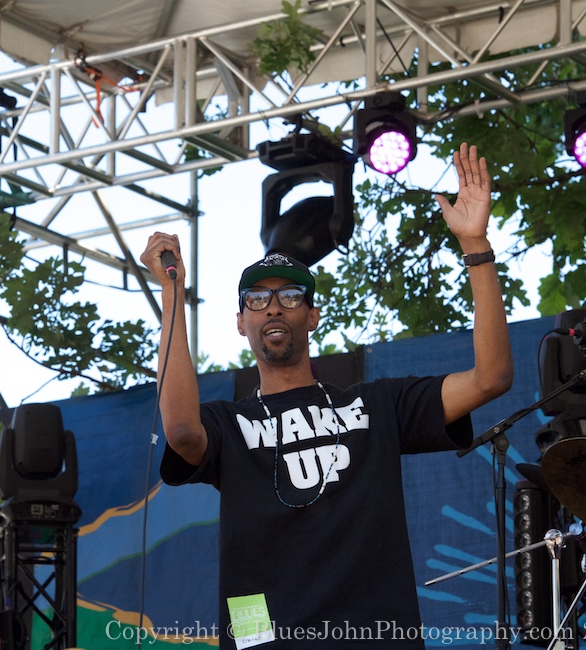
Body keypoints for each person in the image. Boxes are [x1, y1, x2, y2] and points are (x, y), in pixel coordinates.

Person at [139, 143, 513, 649]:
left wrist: (476, 246)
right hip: (264, 639)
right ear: (240, 322)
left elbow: (491, 377)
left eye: (290, 296)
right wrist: (172, 294)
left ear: (312, 316)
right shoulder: (227, 424)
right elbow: (181, 431)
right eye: (258, 299)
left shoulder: (376, 405)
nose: (274, 307)